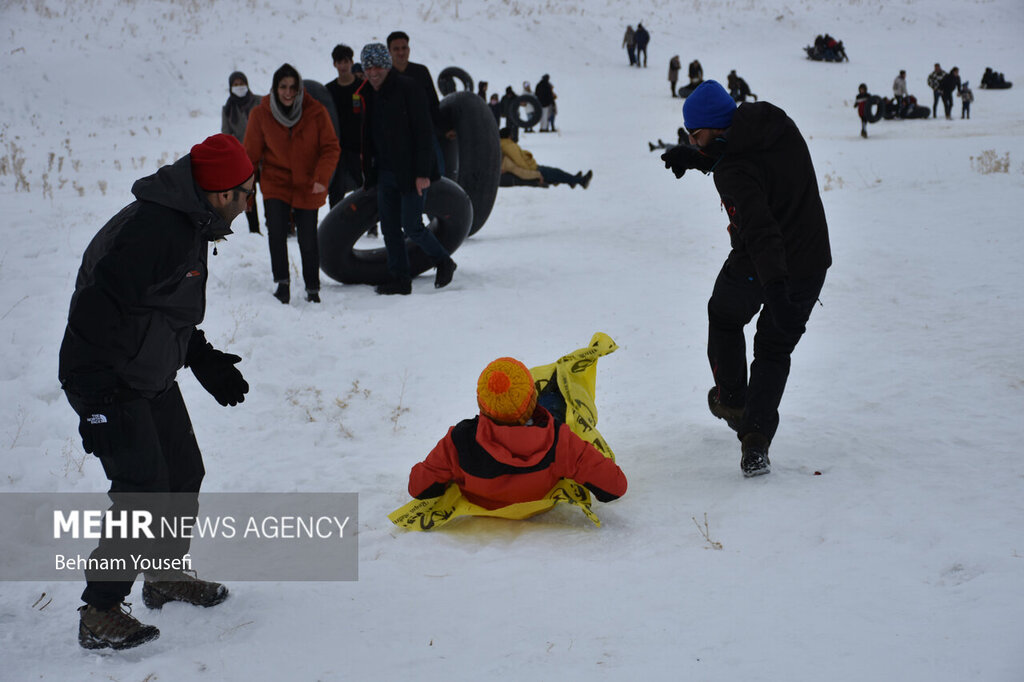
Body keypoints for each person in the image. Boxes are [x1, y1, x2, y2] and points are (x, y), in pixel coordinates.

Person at [58, 133, 254, 650]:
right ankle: (99, 611)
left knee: (183, 471)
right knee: (142, 491)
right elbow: (94, 311)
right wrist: (96, 399)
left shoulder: (189, 223)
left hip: (147, 373)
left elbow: (164, 307)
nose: (250, 198)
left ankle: (164, 576)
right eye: (245, 189)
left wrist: (203, 357)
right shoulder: (155, 231)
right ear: (219, 194)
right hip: (107, 379)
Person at [660, 80, 831, 477]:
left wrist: (776, 291)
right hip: (811, 260)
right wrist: (698, 158)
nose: (691, 139)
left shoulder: (733, 172)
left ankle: (733, 399)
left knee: (725, 316)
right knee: (774, 349)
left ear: (717, 128)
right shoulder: (771, 122)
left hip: (768, 264)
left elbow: (760, 229)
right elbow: (750, 161)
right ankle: (755, 441)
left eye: (695, 134)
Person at [407, 357, 627, 509]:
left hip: (483, 506)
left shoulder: (459, 441)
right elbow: (615, 487)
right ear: (532, 399)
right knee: (554, 401)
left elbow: (418, 487)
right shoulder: (559, 440)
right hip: (539, 504)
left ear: (482, 404)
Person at [359, 42, 457, 295]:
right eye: (369, 67)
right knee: (390, 228)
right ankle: (400, 279)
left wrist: (423, 173)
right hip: (385, 171)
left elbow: (423, 133)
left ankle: (444, 261)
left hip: (411, 171)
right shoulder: (367, 93)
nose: (374, 72)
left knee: (411, 225)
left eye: (379, 66)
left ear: (388, 66)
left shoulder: (408, 88)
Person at [244, 63, 340, 304]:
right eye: (283, 87)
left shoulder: (316, 112)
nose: (288, 92)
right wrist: (246, 192)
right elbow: (251, 157)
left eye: (293, 88)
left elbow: (330, 147)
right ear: (275, 88)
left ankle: (312, 288)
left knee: (308, 237)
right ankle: (282, 284)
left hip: (308, 183)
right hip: (276, 182)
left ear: (300, 90)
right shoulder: (261, 114)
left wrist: (321, 178)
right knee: (276, 233)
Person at [386, 31, 453, 168]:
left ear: (409, 49)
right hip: (396, 136)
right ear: (389, 52)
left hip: (424, 133)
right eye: (396, 49)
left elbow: (433, 103)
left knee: (437, 172)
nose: (401, 52)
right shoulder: (384, 76)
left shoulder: (421, 72)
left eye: (404, 48)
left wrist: (445, 128)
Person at [325, 44, 367, 210]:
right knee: (336, 188)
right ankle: (336, 225)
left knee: (364, 185)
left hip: (359, 147)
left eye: (346, 62)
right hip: (337, 148)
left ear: (351, 62)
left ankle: (371, 225)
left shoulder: (363, 87)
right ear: (334, 64)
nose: (343, 66)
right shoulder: (328, 90)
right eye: (339, 62)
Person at [221, 71, 262, 234]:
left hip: (265, 156)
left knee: (271, 192)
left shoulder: (259, 101)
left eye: (241, 83)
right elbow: (226, 134)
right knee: (248, 194)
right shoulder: (228, 108)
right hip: (244, 159)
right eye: (235, 85)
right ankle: (254, 230)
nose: (239, 87)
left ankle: (277, 224)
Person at [499, 127, 592, 188]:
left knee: (555, 174)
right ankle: (580, 181)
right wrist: (535, 173)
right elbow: (520, 164)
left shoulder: (506, 144)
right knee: (556, 173)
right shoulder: (508, 146)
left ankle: (572, 179)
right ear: (508, 136)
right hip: (533, 169)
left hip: (533, 167)